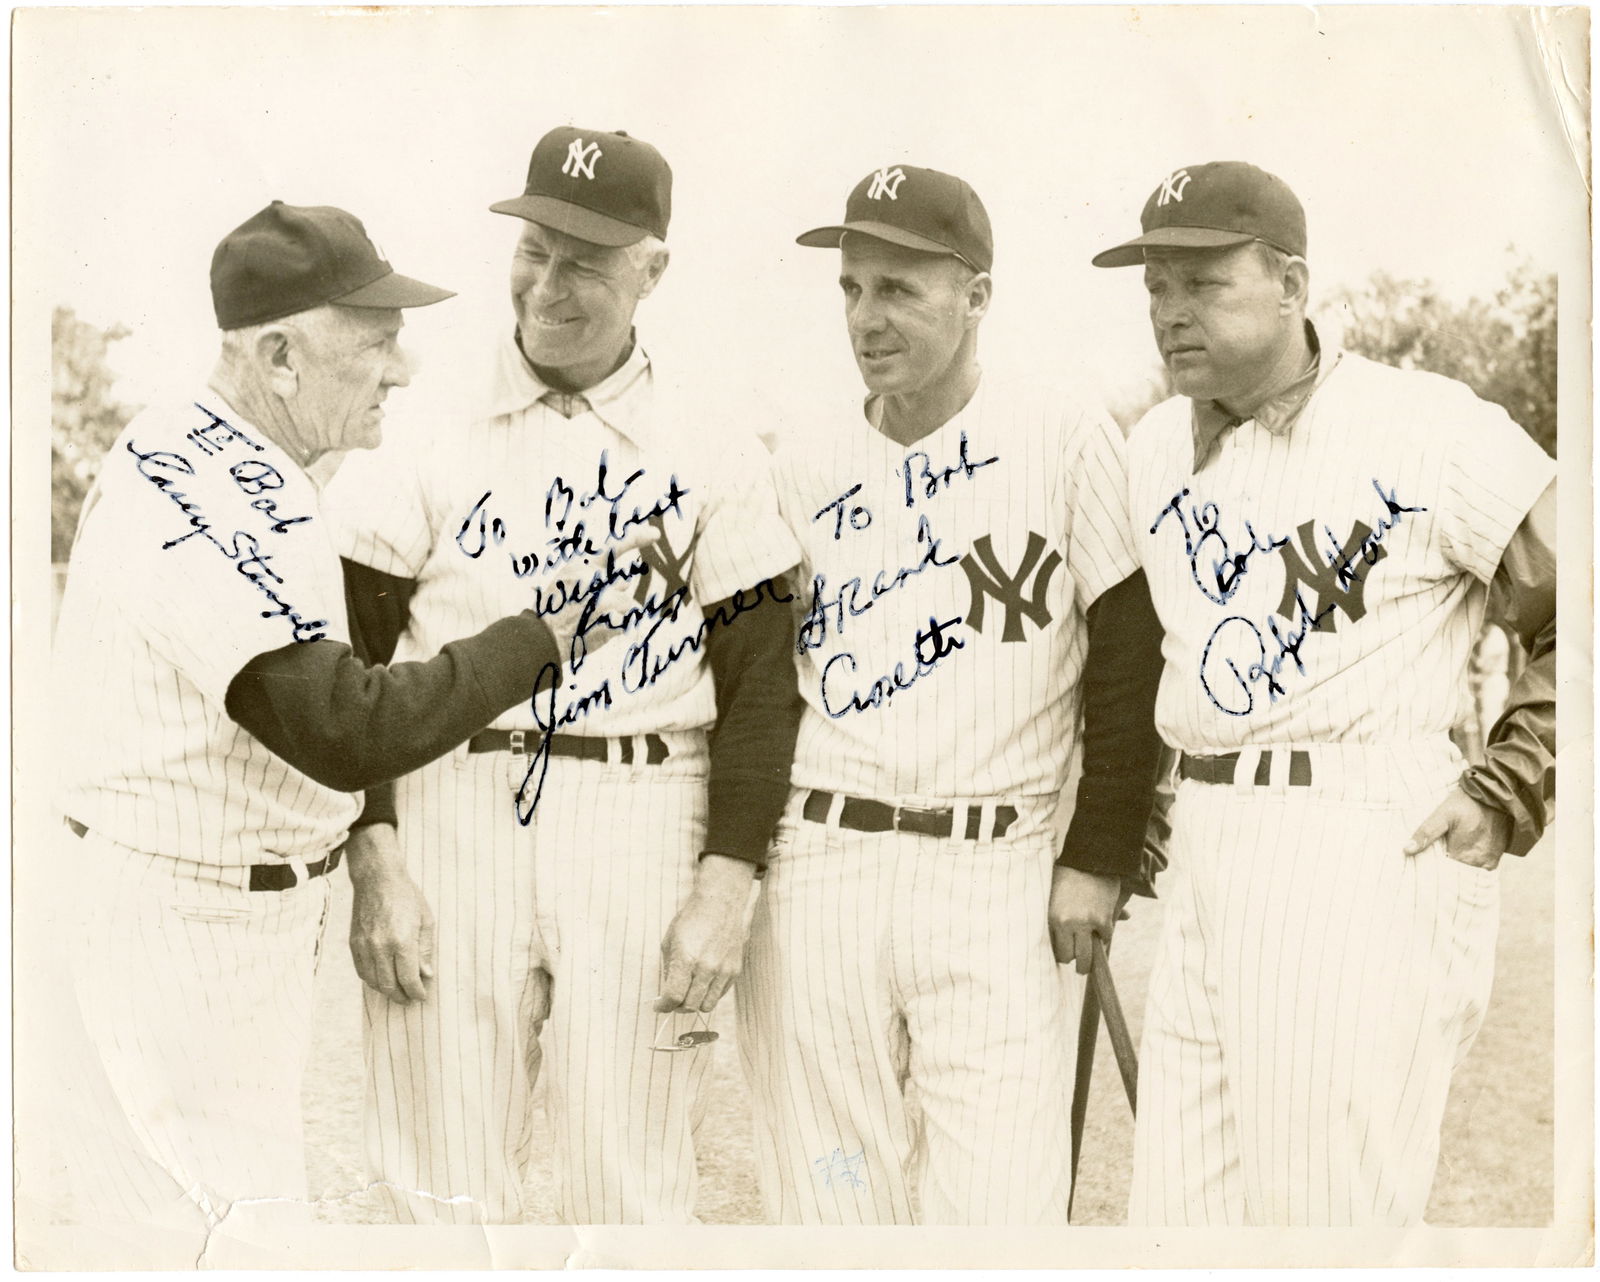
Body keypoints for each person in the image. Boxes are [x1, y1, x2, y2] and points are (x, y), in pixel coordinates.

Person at [44, 201, 646, 1236]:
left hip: (227, 924)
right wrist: (542, 635)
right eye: (375, 341)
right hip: (171, 929)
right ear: (278, 354)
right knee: (197, 1243)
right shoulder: (193, 486)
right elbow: (345, 724)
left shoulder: (243, 462)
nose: (402, 369)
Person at [325, 126, 802, 1225]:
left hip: (640, 806)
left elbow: (762, 678)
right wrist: (375, 852)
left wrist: (727, 883)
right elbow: (352, 650)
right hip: (452, 801)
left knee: (626, 1187)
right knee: (435, 1185)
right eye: (535, 247)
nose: (551, 284)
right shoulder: (423, 423)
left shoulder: (712, 438)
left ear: (653, 268)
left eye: (589, 258)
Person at [1092, 160, 1557, 1226]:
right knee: (1177, 1224)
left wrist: (1507, 780)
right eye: (1155, 286)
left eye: (1203, 283)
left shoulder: (1427, 425)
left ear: (1293, 285)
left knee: (1325, 1222)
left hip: (1357, 829)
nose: (1170, 313)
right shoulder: (1156, 446)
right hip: (1207, 832)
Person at [733, 164, 1167, 1224]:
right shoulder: (801, 456)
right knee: (832, 1199)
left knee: (999, 1213)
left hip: (993, 874)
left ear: (976, 295)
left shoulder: (1065, 436)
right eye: (851, 289)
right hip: (821, 863)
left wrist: (1100, 855)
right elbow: (754, 682)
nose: (866, 318)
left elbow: (1126, 653)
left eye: (898, 289)